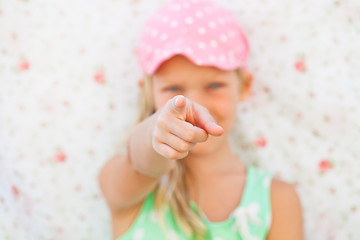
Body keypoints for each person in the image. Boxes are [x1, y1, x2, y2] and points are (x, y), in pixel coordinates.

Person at [99, 0, 303, 239]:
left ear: (244, 87)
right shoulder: (127, 184)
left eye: (214, 85)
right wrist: (157, 132)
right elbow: (141, 161)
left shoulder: (276, 200)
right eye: (173, 88)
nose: (194, 105)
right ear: (147, 91)